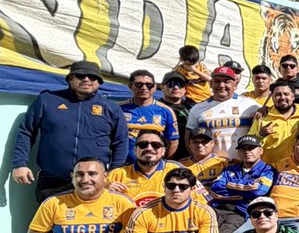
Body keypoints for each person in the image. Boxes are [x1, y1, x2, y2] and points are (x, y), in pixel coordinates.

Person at [12, 60, 128, 201]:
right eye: (80, 76)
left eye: (92, 77)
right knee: (49, 216)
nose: (86, 79)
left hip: (93, 183)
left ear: (99, 82)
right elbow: (26, 132)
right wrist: (20, 164)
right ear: (70, 79)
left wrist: (112, 174)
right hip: (53, 181)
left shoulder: (111, 108)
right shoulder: (47, 100)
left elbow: (121, 142)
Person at [186, 65, 260, 159]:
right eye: (217, 81)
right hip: (211, 165)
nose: (221, 85)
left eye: (226, 81)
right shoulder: (197, 108)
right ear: (211, 84)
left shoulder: (250, 104)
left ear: (235, 85)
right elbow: (188, 138)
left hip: (243, 164)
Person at [107, 131, 187, 207]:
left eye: (156, 145)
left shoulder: (177, 170)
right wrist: (104, 189)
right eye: (143, 145)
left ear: (163, 151)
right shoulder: (118, 174)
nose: (149, 148)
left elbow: (193, 201)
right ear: (135, 150)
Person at [120, 69, 181, 161]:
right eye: (139, 85)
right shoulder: (118, 109)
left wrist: (164, 163)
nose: (144, 88)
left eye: (149, 85)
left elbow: (173, 142)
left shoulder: (166, 111)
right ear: (130, 86)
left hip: (153, 165)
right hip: (123, 164)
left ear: (155, 87)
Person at [249, 79, 299, 168]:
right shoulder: (263, 117)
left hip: (296, 170)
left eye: (286, 94)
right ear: (272, 97)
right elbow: (249, 144)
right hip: (269, 169)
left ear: (293, 96)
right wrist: (261, 134)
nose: (282, 97)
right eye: (278, 95)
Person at [159, 71, 195, 139]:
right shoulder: (155, 107)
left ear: (185, 89)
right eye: (171, 84)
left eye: (180, 84)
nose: (176, 87)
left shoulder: (191, 108)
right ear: (162, 87)